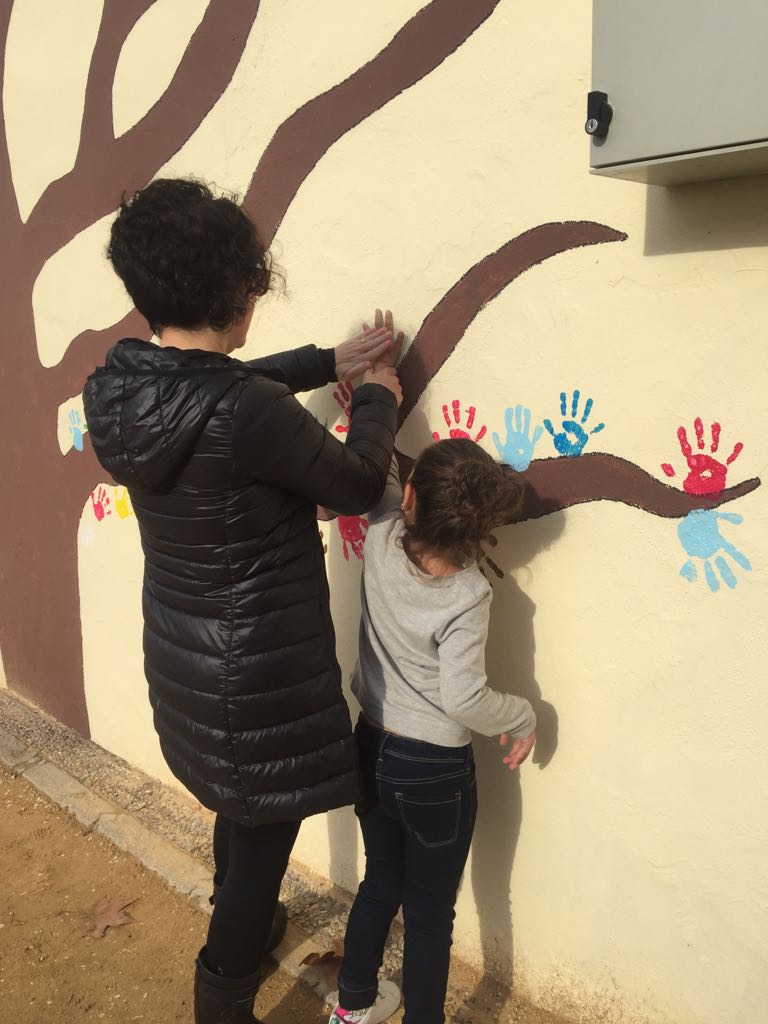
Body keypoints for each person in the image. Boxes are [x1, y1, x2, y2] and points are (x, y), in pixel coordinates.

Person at [82, 178, 402, 1024]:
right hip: (255, 675)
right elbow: (362, 484)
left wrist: (324, 365)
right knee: (263, 830)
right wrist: (376, 398)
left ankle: (251, 927)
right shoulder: (244, 411)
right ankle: (222, 992)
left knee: (239, 806)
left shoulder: (117, 387)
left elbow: (214, 384)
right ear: (237, 290)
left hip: (186, 656)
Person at [329, 437, 537, 1024]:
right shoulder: (470, 593)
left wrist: (374, 386)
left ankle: (352, 1008)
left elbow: (384, 481)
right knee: (427, 919)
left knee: (378, 885)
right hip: (434, 775)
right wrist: (523, 715)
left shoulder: (380, 535)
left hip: (370, 744)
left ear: (413, 498)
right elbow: (464, 697)